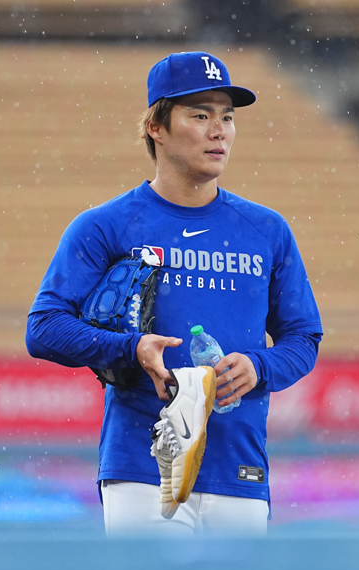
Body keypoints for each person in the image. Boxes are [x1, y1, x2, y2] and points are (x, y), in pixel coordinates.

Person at [26, 51, 323, 536]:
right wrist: (130, 348)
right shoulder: (106, 225)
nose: (219, 131)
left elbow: (303, 338)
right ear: (155, 128)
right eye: (200, 115)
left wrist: (259, 366)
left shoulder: (266, 230)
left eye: (227, 117)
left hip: (239, 468)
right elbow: (43, 328)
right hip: (143, 467)